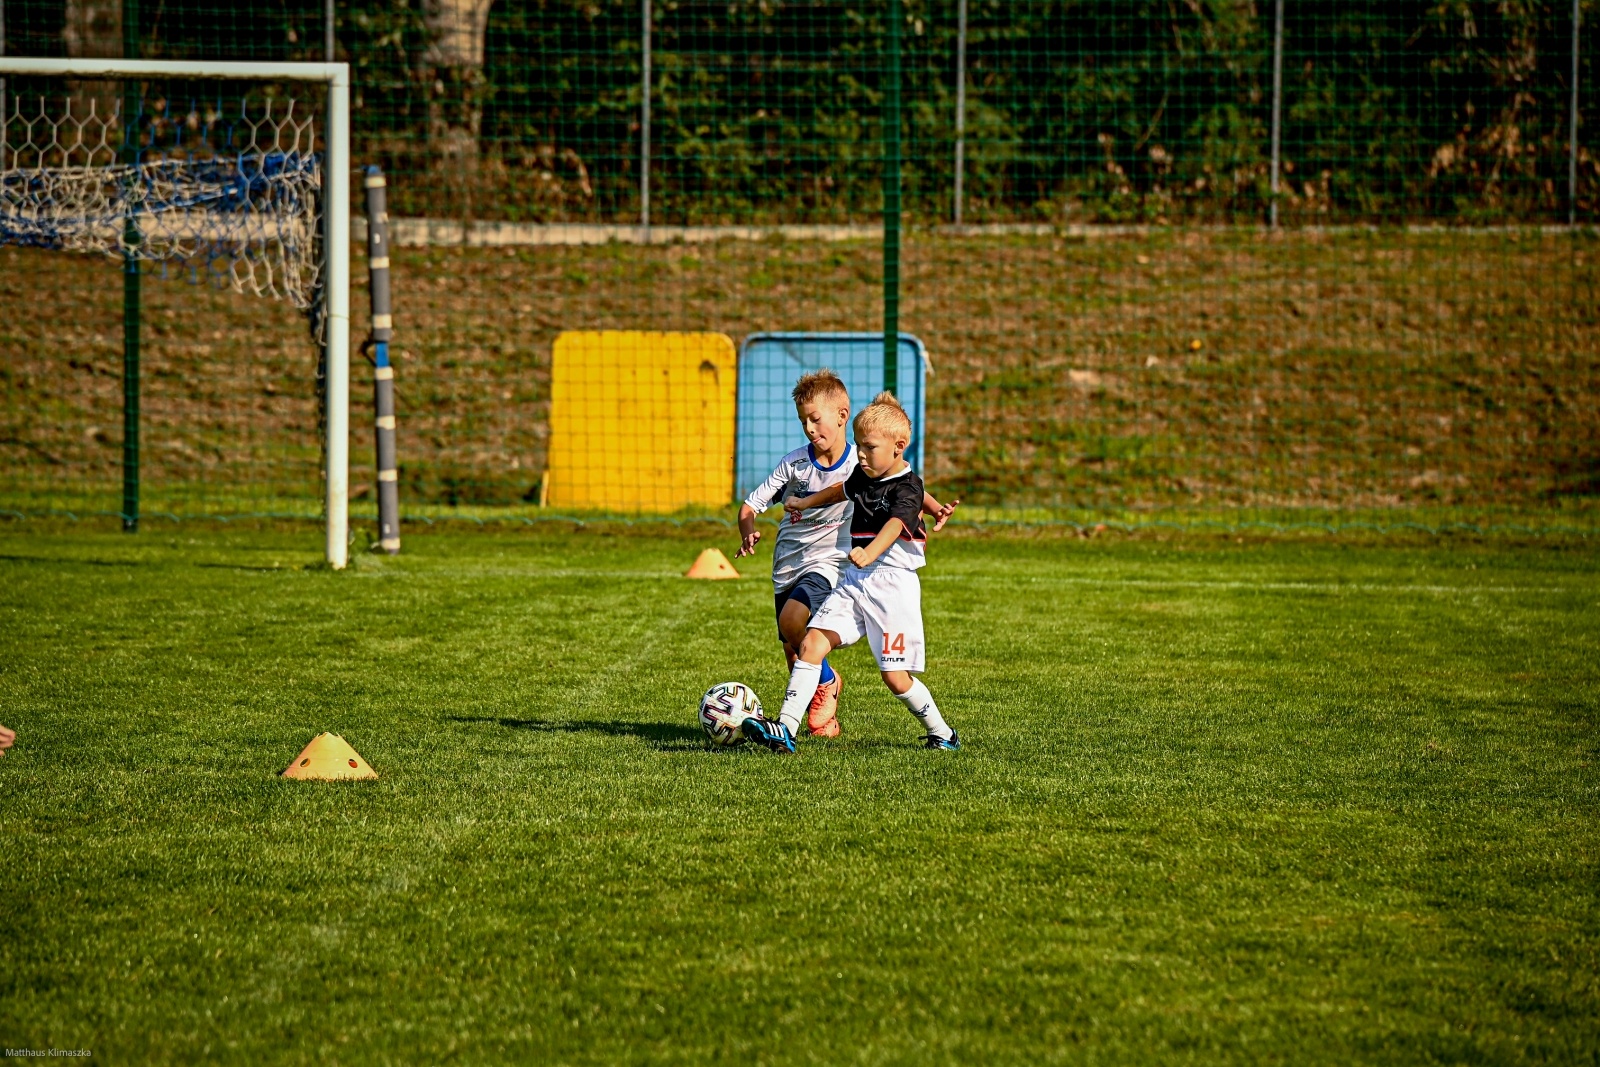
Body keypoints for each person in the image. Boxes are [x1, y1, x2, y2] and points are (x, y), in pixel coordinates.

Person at [736, 371, 956, 739]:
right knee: (810, 643)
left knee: (895, 678)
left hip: (892, 589)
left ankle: (942, 732)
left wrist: (870, 552)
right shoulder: (863, 475)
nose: (862, 454)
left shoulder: (907, 487)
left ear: (898, 448)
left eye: (868, 447)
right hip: (854, 581)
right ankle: (784, 728)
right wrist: (804, 500)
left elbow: (896, 525)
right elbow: (840, 491)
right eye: (860, 445)